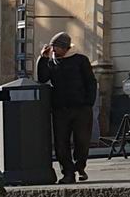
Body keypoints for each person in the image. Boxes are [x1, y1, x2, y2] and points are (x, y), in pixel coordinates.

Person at [37, 32, 97, 184]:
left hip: (81, 108)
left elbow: (90, 82)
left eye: (56, 48)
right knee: (61, 143)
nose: (54, 51)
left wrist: (88, 102)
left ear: (65, 48)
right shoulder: (52, 62)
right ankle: (68, 173)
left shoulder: (80, 60)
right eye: (52, 48)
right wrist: (42, 59)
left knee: (82, 141)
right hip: (60, 109)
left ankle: (80, 165)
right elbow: (42, 78)